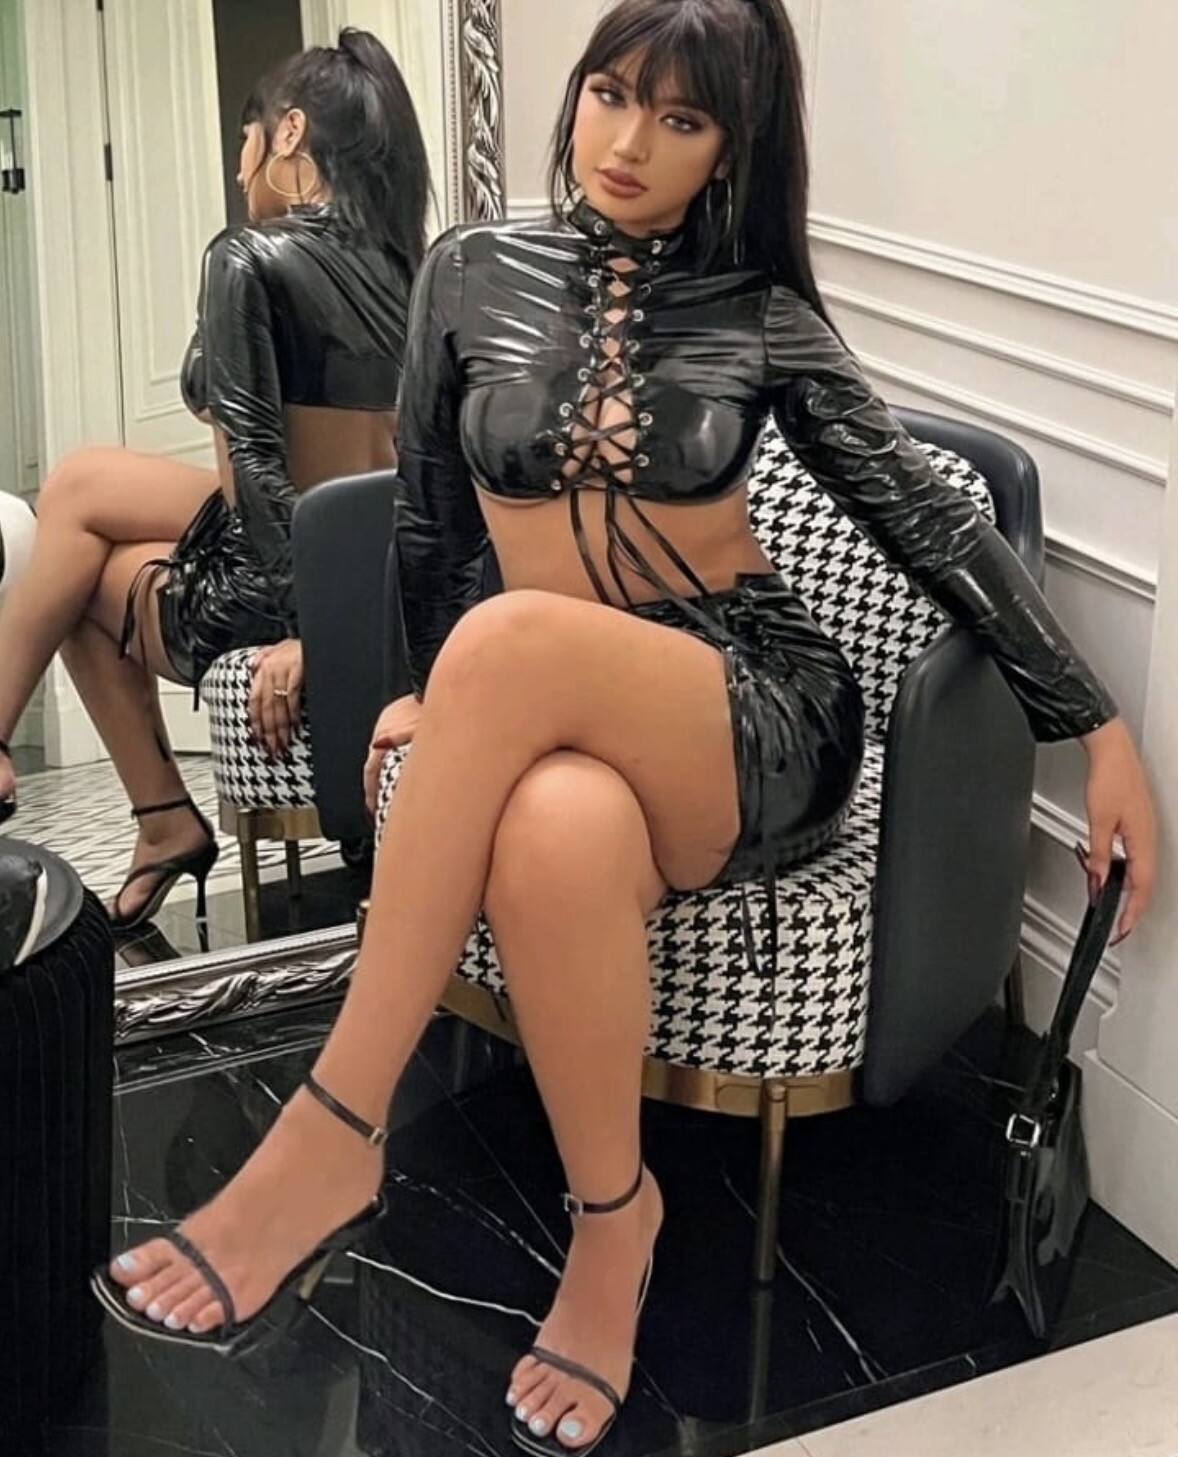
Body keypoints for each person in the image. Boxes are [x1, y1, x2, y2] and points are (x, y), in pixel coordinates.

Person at [96, 1, 1158, 1452]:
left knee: (506, 640)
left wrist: (1095, 727)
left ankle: (334, 1124)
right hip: (560, 724)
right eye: (609, 95)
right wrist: (429, 682)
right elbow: (430, 521)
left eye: (681, 117)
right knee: (554, 825)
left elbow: (928, 520)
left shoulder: (757, 312)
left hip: (745, 705)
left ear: (733, 145)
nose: (627, 141)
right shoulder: (469, 270)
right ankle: (616, 1218)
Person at [0, 29, 430, 928]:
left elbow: (259, 464)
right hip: (372, 561)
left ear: (289, 132)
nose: (239, 166)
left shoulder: (248, 257)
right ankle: (158, 821)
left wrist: (312, 628)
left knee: (70, 565)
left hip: (280, 576)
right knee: (78, 489)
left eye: (247, 138)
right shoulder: (415, 266)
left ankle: (162, 819)